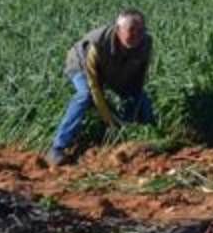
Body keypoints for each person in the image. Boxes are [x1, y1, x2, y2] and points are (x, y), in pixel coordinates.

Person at [47, 9, 154, 166]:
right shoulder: (97, 43)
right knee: (85, 96)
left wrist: (131, 120)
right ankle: (57, 147)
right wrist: (110, 121)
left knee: (139, 96)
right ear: (118, 29)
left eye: (141, 31)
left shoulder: (145, 43)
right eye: (131, 30)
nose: (136, 36)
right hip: (82, 65)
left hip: (115, 66)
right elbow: (94, 87)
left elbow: (139, 80)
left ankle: (150, 134)